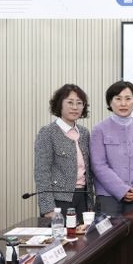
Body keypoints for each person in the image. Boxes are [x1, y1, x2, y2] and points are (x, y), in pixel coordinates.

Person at [91, 81, 133, 216]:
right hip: (108, 197)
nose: (123, 103)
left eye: (128, 98)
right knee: (109, 230)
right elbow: (98, 165)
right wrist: (122, 190)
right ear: (110, 102)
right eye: (118, 99)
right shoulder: (99, 129)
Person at [33, 84, 94, 223]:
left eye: (79, 103)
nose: (75, 107)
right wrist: (48, 208)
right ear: (60, 104)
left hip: (83, 197)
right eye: (70, 102)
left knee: (83, 235)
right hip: (59, 200)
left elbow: (88, 172)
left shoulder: (84, 133)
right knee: (62, 236)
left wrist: (90, 203)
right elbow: (42, 173)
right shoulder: (47, 132)